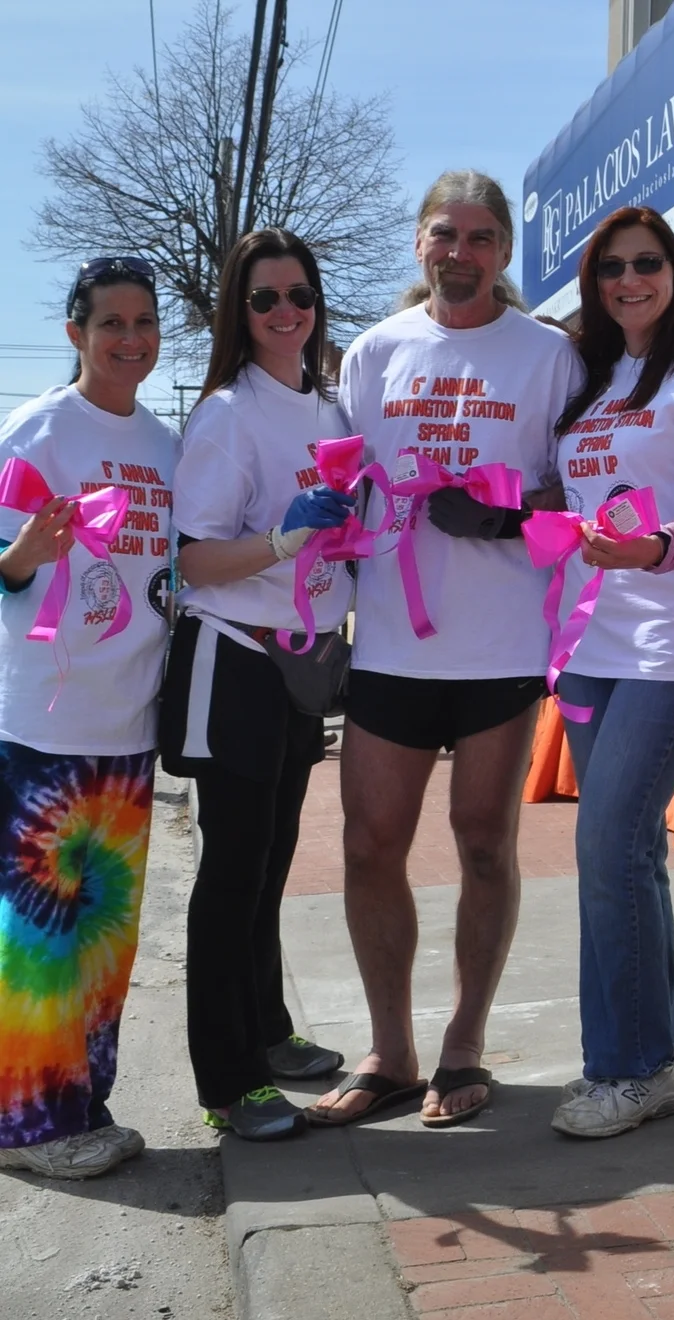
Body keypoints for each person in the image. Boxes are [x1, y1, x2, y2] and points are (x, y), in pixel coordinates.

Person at [310, 171, 581, 1129]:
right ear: (418, 245)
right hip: (388, 642)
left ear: (504, 252)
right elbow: (343, 480)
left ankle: (465, 1043)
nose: (458, 253)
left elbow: (584, 490)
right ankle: (390, 1048)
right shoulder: (375, 354)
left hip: (503, 646)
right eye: (441, 235)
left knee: (483, 844)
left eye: (478, 238)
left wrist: (510, 517)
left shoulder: (549, 355)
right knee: (368, 844)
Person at [547, 206, 674, 1139]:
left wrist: (663, 547)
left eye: (647, 264)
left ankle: (623, 1069)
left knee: (607, 843)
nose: (630, 281)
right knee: (630, 854)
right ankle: (662, 1053)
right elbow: (571, 490)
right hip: (589, 646)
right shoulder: (586, 376)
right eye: (612, 270)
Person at [159, 228, 354, 1141]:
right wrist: (282, 539)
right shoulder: (226, 413)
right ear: (239, 313)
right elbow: (194, 556)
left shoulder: (328, 406)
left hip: (304, 660)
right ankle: (229, 1082)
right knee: (232, 873)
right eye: (266, 299)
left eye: (300, 296)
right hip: (232, 653)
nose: (287, 313)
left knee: (273, 861)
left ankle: (268, 1035)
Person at [0, 257, 178, 1177]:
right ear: (75, 332)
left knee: (107, 936)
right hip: (45, 729)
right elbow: (3, 565)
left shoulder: (166, 444)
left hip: (131, 729)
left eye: (145, 322)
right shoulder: (35, 431)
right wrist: (20, 556)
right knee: (40, 935)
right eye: (111, 323)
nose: (131, 340)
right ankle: (27, 1126)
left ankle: (82, 1105)